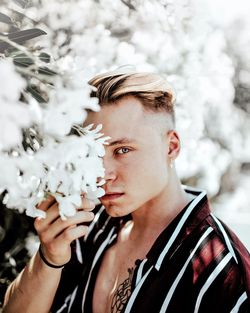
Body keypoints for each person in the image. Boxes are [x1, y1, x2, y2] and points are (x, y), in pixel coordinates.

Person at [3, 69, 250, 313]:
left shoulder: (220, 269)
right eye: (92, 153)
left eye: (122, 150)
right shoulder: (90, 228)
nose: (101, 173)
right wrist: (49, 259)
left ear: (171, 147)